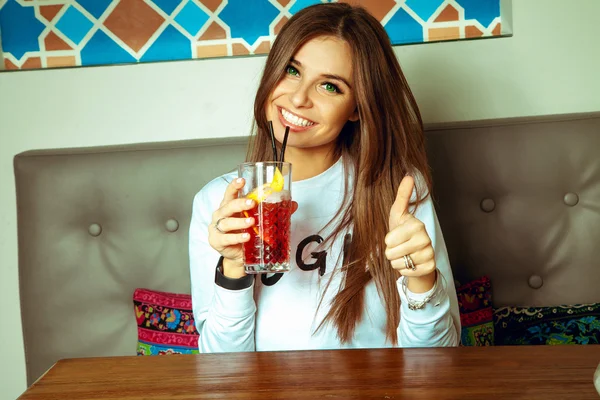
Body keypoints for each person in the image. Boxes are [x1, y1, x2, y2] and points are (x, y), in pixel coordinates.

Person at [189, 3, 460, 352]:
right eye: (292, 70)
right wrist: (233, 268)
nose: (299, 98)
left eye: (330, 86)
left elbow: (439, 359)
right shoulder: (216, 204)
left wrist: (422, 280)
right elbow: (223, 367)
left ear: (358, 109)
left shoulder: (399, 194)